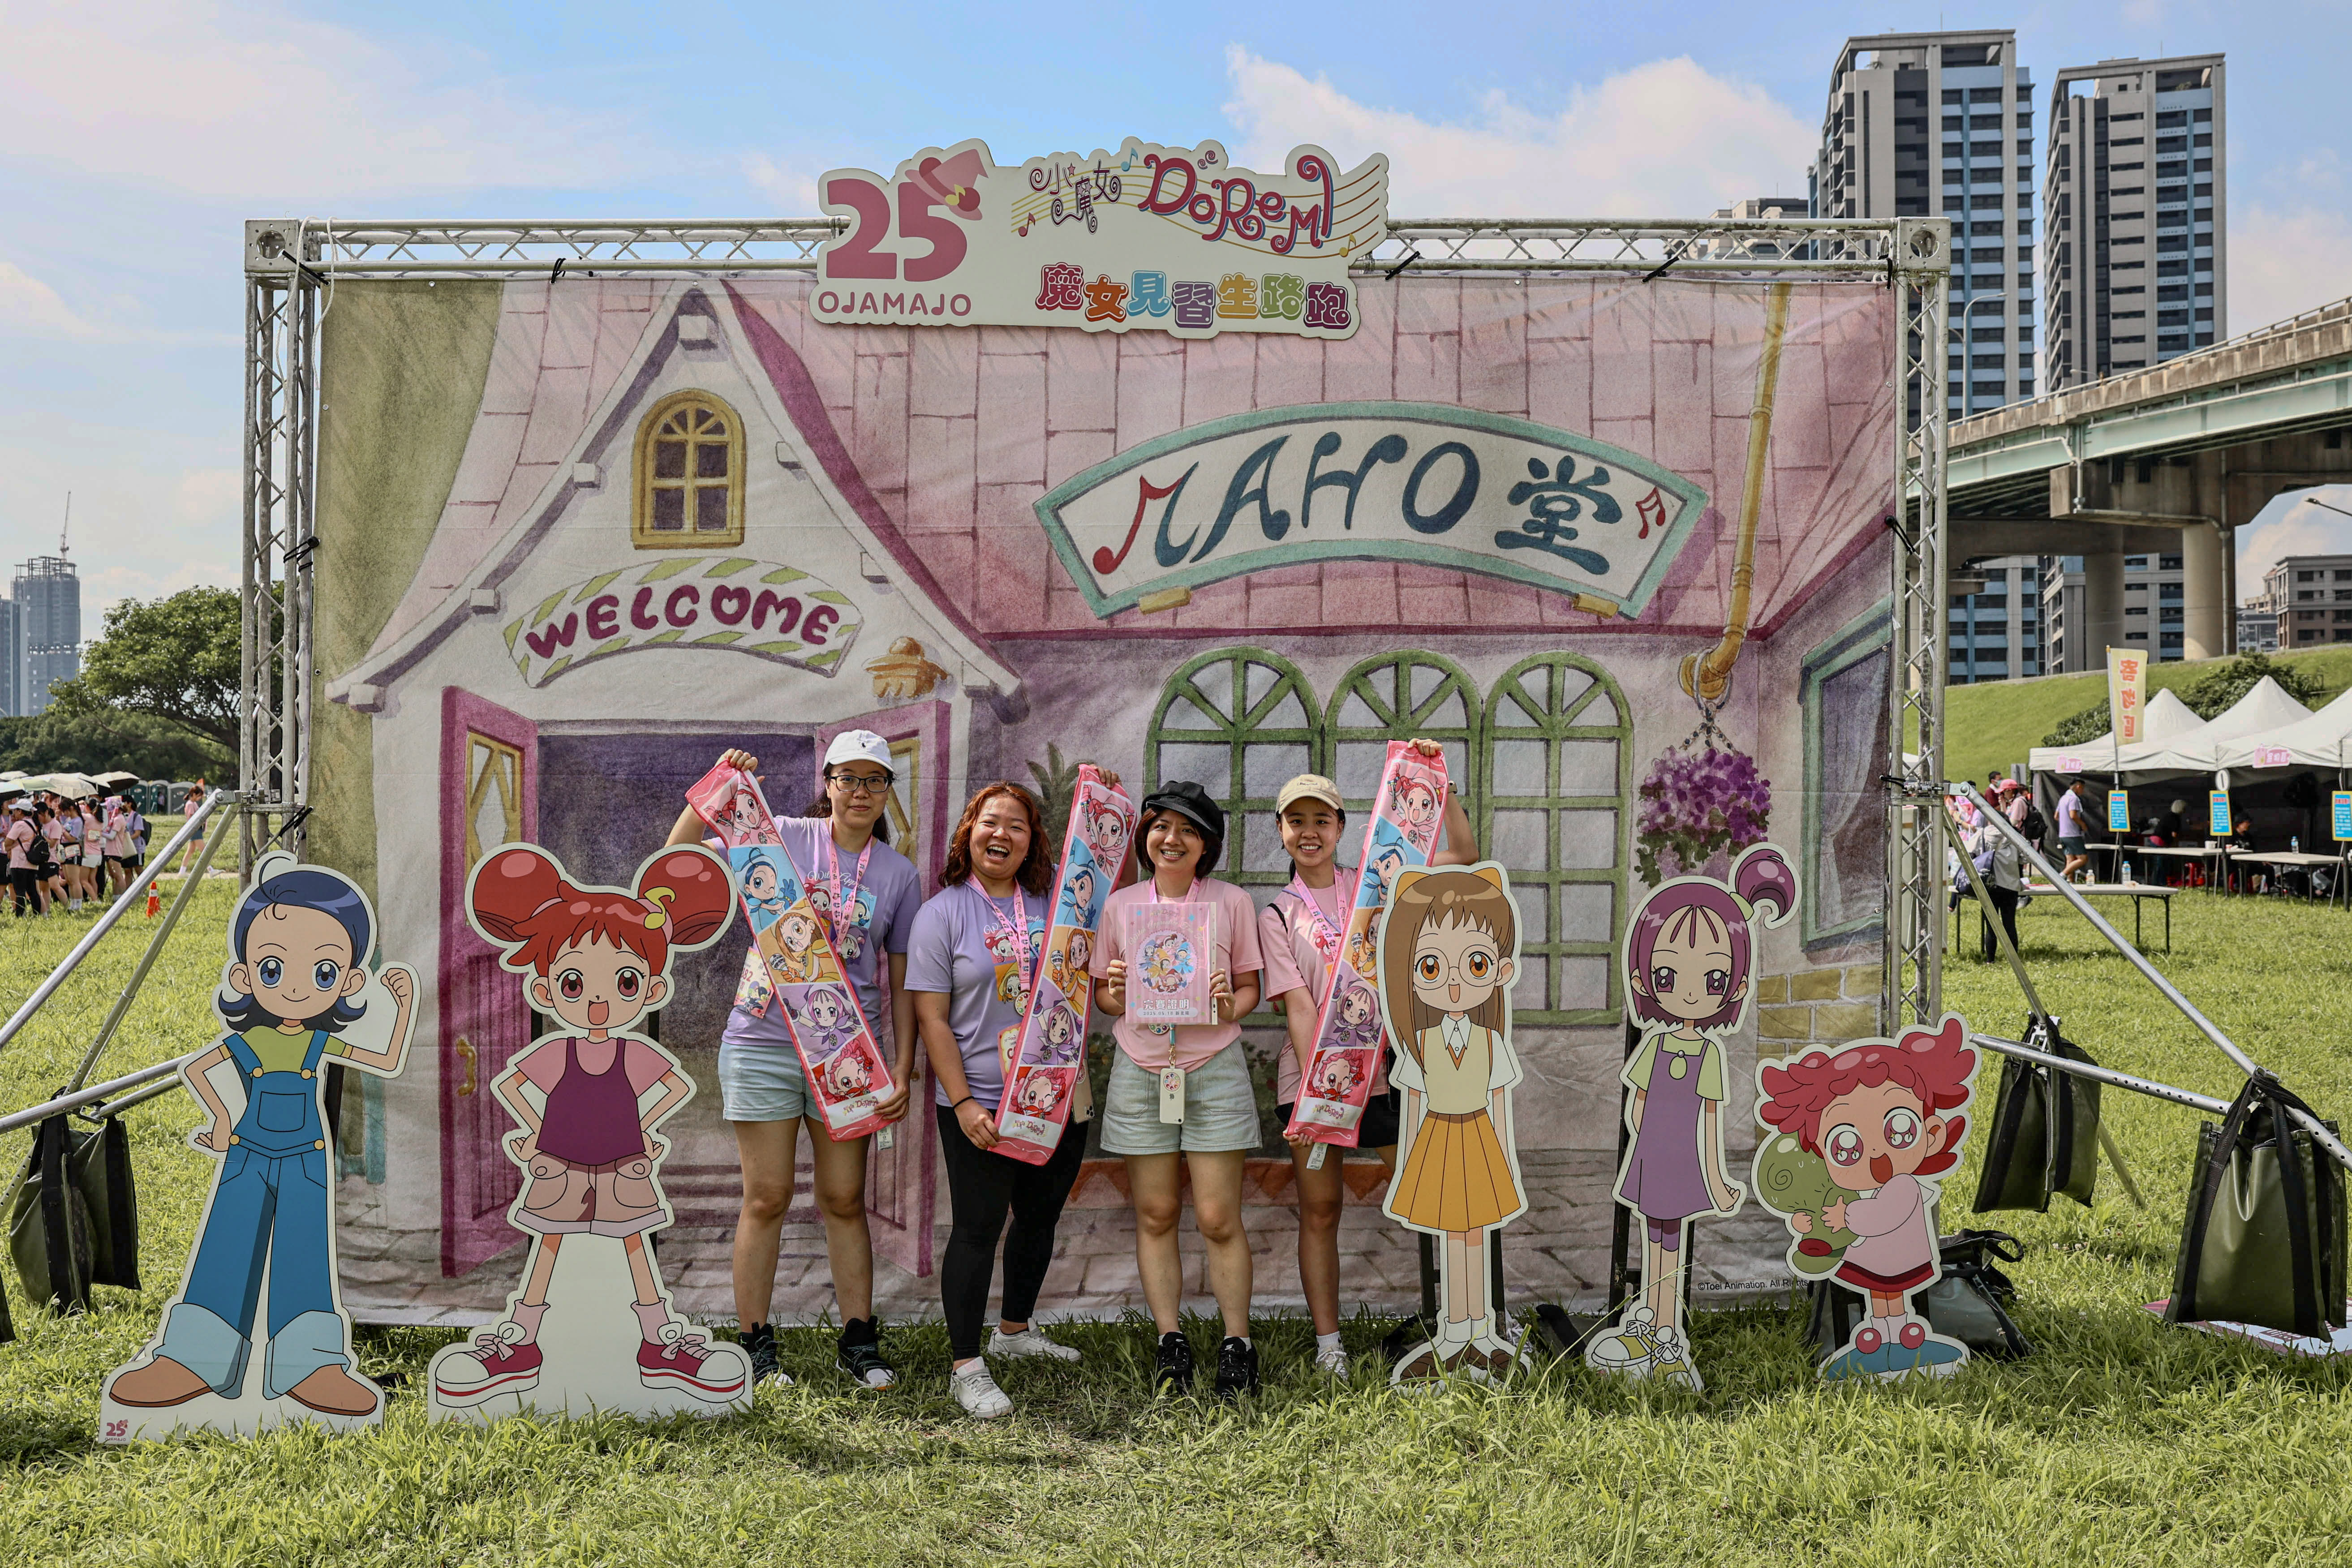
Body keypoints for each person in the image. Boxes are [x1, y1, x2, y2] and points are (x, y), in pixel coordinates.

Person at [432, 845, 747, 1407]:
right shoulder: (559, 1051)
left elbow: (673, 1089)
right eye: (575, 984)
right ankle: (522, 1340)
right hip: (561, 1166)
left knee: (635, 1244)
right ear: (547, 990)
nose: (599, 1001)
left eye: (624, 983)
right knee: (549, 1243)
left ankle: (658, 1341)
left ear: (651, 990)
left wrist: (642, 1129)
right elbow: (510, 1086)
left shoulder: (631, 1053)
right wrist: (538, 1132)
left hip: (625, 1167)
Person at [107, 857, 417, 1414]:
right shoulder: (252, 1040)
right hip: (247, 1154)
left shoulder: (317, 1043)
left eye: (323, 973)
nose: (296, 987)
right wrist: (223, 1121)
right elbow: (200, 1068)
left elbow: (386, 1060)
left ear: (349, 982)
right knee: (227, 1243)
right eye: (273, 968)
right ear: (245, 976)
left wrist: (403, 1004)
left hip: (305, 1160)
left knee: (305, 1252)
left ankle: (311, 1366)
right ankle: (193, 1359)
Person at [664, 730, 922, 1391]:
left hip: (848, 1055)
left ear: (887, 791)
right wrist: (717, 785)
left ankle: (858, 1343)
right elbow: (678, 858)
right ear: (827, 783)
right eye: (848, 778)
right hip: (762, 1044)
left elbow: (900, 980)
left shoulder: (898, 875)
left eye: (874, 780)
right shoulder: (779, 836)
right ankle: (756, 1346)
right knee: (767, 1196)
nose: (860, 791)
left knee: (843, 1198)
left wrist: (901, 1065)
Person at [1260, 749, 1479, 1375]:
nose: (1308, 832)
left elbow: (1462, 858)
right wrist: (1319, 1095)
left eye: (1320, 820)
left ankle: (1464, 1320)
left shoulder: (1375, 882)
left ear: (1340, 826)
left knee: (1431, 1195)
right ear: (1281, 829)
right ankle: (1329, 1345)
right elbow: (1298, 1009)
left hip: (1386, 1074)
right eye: (1296, 820)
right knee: (1320, 1210)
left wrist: (1441, 786)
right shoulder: (1276, 914)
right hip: (1313, 1083)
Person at [907, 780, 1111, 1419]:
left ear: (1033, 842)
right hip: (982, 1103)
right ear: (969, 834)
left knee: (1039, 1217)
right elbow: (931, 1018)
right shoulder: (940, 913)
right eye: (989, 822)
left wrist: (1107, 812)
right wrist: (964, 1102)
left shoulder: (1055, 904)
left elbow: (1108, 895)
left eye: (1017, 826)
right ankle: (965, 1366)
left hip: (1057, 1095)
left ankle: (1015, 1331)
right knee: (977, 1228)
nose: (1001, 834)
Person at [1588, 845, 1796, 1391]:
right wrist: (1645, 1146)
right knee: (1655, 1240)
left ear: (1734, 988)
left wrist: (1715, 1177)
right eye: (1666, 974)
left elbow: (1707, 1119)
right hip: (1653, 1159)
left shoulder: (1706, 1055)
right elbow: (1638, 1103)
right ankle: (1651, 1324)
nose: (1687, 991)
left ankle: (1664, 1330)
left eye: (1711, 980)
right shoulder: (1655, 1046)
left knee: (1670, 1245)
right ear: (1644, 979)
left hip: (1680, 1165)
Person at [1090, 780, 1264, 1397]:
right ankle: (1171, 1340)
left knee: (1218, 1217)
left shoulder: (1231, 902)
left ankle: (1237, 1343)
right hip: (1142, 1067)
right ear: (1145, 836)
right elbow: (1104, 995)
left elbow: (1249, 987)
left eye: (1188, 830)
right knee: (1156, 1211)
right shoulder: (1121, 907)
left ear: (1206, 846)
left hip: (1213, 1067)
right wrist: (1115, 991)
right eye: (1161, 826)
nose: (1172, 838)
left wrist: (1229, 1005)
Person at [6, 799, 44, 917]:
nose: (13, 813)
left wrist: (11, 847)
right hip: (32, 863)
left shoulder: (20, 825)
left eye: (15, 810)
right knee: (33, 891)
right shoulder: (36, 825)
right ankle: (37, 915)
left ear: (20, 811)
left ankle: (21, 915)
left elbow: (7, 842)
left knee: (20, 891)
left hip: (19, 862)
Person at [2055, 778, 2090, 884]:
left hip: (2063, 834)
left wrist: (2065, 822)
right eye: (2082, 789)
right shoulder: (2073, 799)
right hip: (2073, 834)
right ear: (2078, 787)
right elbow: (2073, 815)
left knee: (2071, 859)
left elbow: (2056, 816)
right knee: (2083, 859)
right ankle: (2062, 876)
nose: (2083, 791)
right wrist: (2083, 825)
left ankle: (2070, 882)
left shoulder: (2063, 798)